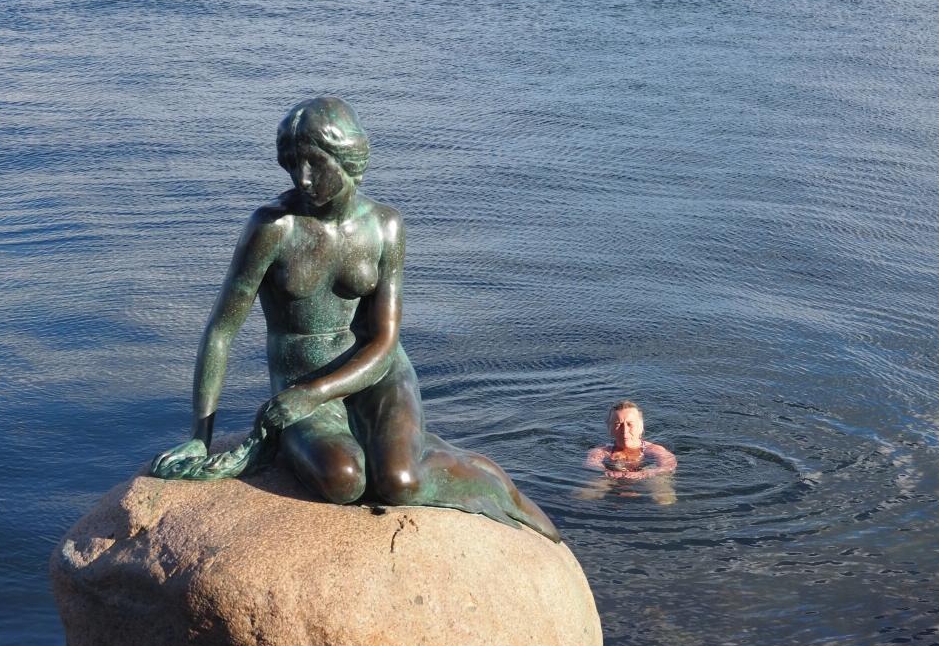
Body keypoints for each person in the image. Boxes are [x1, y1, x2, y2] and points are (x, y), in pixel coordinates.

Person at [149, 97, 559, 542]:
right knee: (344, 481)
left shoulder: (385, 226)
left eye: (314, 163)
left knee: (400, 482)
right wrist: (201, 435)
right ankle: (385, 443)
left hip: (376, 372)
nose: (303, 178)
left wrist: (315, 394)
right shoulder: (273, 228)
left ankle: (491, 483)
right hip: (301, 379)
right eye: (292, 165)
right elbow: (221, 332)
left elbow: (385, 342)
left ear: (347, 158)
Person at [578, 400, 677, 504]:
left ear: (641, 426)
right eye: (618, 424)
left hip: (647, 474)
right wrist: (606, 471)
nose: (624, 430)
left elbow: (668, 464)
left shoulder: (653, 449)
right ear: (610, 428)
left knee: (662, 492)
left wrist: (644, 473)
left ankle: (667, 510)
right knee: (587, 492)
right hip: (613, 475)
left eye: (630, 424)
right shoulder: (603, 450)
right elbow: (591, 463)